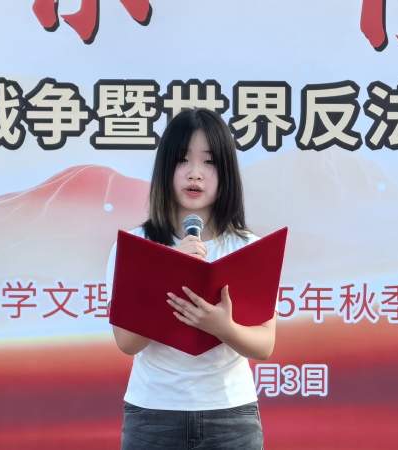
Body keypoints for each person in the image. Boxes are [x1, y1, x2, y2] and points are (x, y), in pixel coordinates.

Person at [106, 107, 276, 449]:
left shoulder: (247, 248)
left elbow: (264, 345)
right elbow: (127, 343)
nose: (195, 174)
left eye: (209, 162)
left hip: (230, 417)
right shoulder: (136, 246)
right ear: (165, 169)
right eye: (183, 160)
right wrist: (168, 274)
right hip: (153, 416)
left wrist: (223, 327)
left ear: (225, 173)